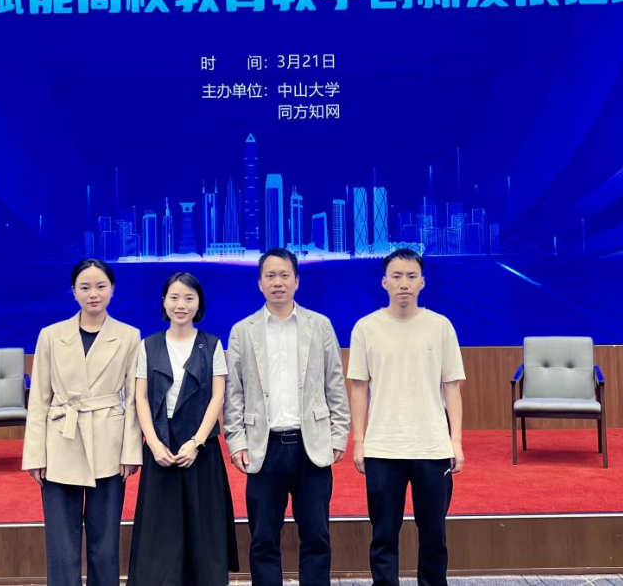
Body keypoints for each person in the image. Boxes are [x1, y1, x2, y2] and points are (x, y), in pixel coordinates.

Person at [224, 247, 350, 586]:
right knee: (263, 538)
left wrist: (339, 435)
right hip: (264, 447)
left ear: (296, 280)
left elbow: (335, 384)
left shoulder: (319, 326)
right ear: (259, 283)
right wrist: (236, 442)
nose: (277, 282)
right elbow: (234, 393)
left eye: (284, 275)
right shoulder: (242, 331)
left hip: (312, 445)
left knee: (316, 537)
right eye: (270, 276)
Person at [348, 248, 466, 586]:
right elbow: (359, 388)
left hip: (432, 447)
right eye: (396, 276)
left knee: (434, 536)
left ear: (422, 282)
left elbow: (452, 388)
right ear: (384, 282)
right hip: (383, 448)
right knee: (384, 535)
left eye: (411, 276)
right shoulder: (366, 328)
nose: (404, 283)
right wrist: (359, 441)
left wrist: (456, 442)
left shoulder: (440, 327)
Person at [22, 259, 142, 586]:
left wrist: (131, 452)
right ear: (73, 291)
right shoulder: (51, 335)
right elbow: (39, 399)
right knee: (61, 540)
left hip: (109, 441)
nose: (93, 294)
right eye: (85, 287)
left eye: (101, 286)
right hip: (62, 439)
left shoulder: (129, 336)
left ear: (113, 289)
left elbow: (134, 400)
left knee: (105, 539)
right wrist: (35, 455)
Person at [128, 271, 238, 586]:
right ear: (164, 301)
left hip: (200, 448)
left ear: (199, 303)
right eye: (174, 297)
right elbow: (140, 397)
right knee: (159, 528)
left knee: (204, 525)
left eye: (189, 298)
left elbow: (218, 396)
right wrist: (153, 444)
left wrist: (197, 443)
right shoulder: (148, 345)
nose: (181, 305)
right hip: (160, 446)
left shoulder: (212, 344)